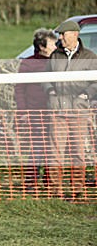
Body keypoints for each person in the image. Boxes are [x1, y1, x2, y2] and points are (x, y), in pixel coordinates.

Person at [41, 20, 97, 201]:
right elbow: (46, 78)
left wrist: (85, 96)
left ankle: (76, 190)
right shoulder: (55, 56)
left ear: (75, 34)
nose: (60, 38)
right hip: (57, 111)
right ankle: (56, 190)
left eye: (63, 34)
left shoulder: (90, 57)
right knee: (55, 152)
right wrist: (50, 91)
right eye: (60, 34)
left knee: (78, 153)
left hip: (79, 113)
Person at [14, 28, 57, 192]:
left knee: (51, 147)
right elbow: (19, 89)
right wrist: (23, 112)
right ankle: (31, 182)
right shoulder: (28, 63)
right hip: (34, 113)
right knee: (36, 148)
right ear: (42, 46)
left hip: (53, 112)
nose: (55, 47)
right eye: (52, 44)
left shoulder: (56, 62)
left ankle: (48, 182)